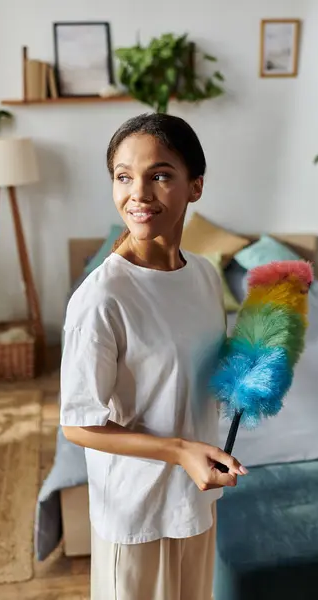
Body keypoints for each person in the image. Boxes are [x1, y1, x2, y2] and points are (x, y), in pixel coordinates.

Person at [60, 113, 247, 600]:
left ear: (195, 187)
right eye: (124, 177)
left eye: (160, 175)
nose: (137, 193)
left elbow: (194, 378)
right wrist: (180, 450)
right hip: (136, 513)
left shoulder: (205, 275)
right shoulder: (101, 298)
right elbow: (78, 424)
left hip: (196, 502)